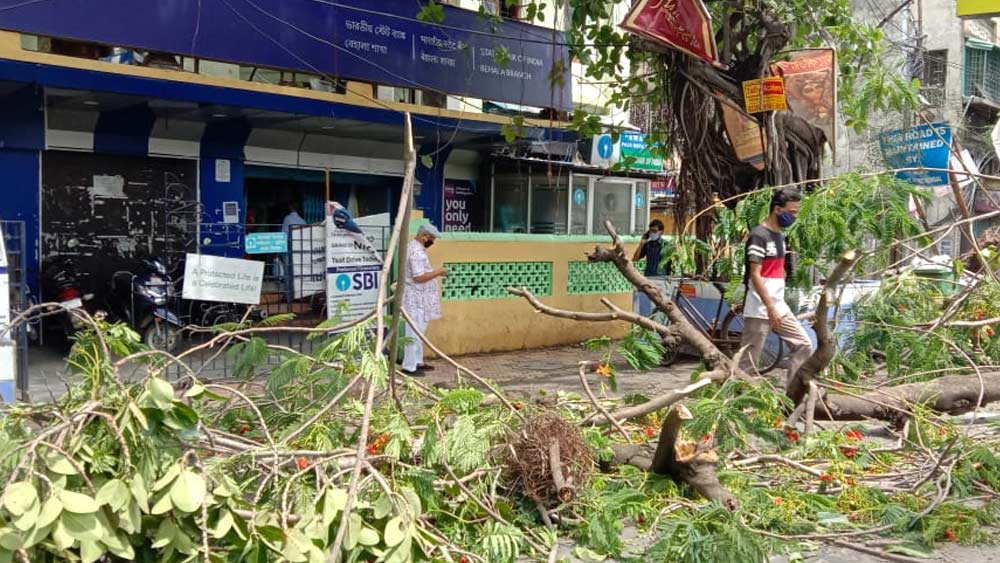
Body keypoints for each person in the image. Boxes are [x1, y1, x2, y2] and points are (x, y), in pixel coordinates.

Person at [739, 188, 812, 384]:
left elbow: (778, 270)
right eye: (793, 211)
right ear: (777, 209)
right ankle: (736, 404)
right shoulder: (759, 235)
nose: (795, 216)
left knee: (803, 344)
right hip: (759, 307)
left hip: (778, 306)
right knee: (748, 362)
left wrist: (776, 304)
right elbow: (755, 275)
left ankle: (793, 393)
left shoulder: (780, 236)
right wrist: (769, 307)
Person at [402, 223, 448, 376]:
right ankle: (409, 366)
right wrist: (438, 272)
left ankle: (417, 362)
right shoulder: (416, 252)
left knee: (419, 331)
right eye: (432, 238)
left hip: (420, 298)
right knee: (414, 332)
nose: (432, 242)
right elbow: (418, 277)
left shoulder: (415, 248)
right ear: (424, 236)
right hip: (415, 298)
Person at [632, 219, 668, 316]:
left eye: (655, 231)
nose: (652, 233)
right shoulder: (648, 245)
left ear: (661, 232)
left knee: (660, 307)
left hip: (662, 280)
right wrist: (642, 243)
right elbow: (635, 259)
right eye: (651, 231)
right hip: (649, 279)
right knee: (647, 306)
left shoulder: (667, 245)